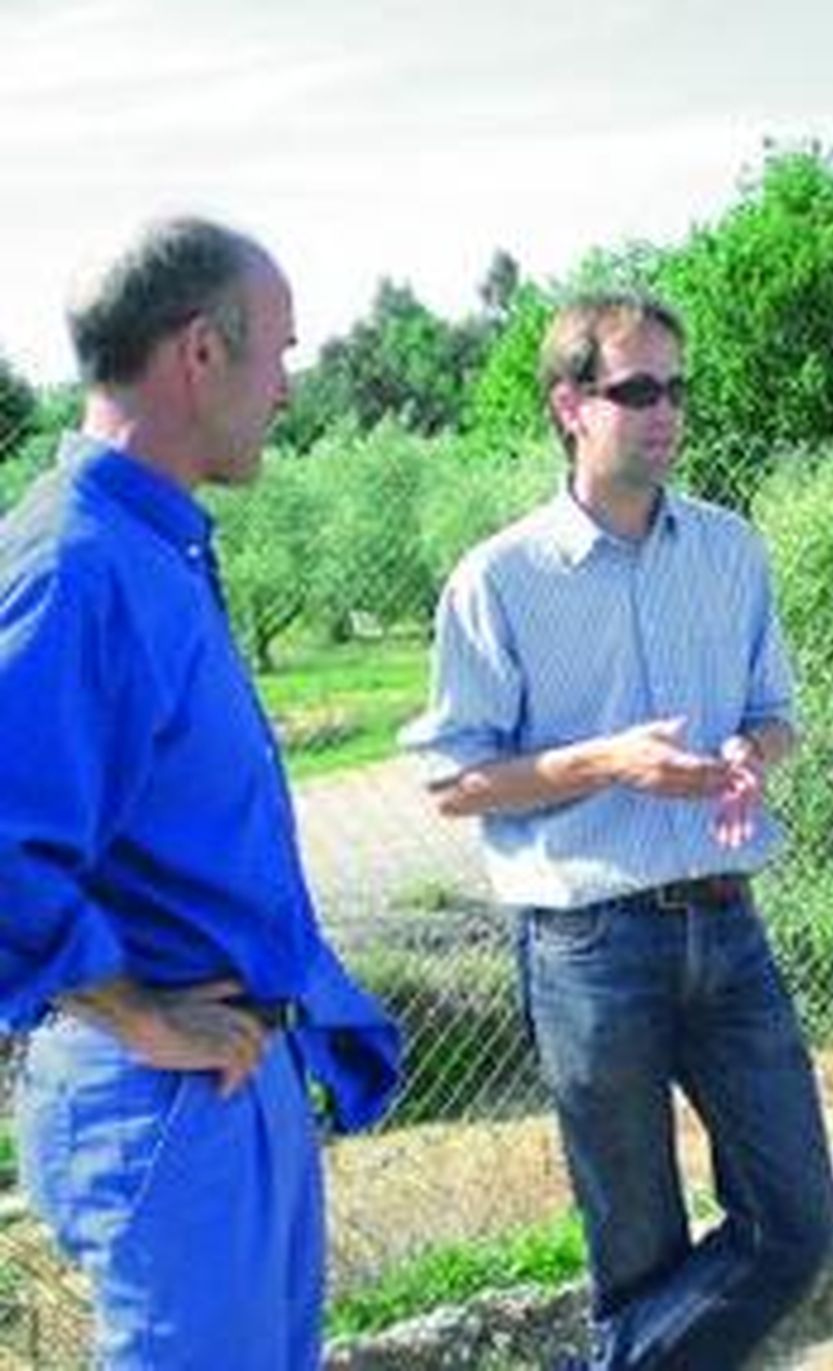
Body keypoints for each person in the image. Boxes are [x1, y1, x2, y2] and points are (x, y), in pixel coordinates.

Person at [401, 292, 833, 1370]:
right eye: (637, 389)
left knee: (798, 1225)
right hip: (588, 947)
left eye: (677, 388)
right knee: (637, 1261)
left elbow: (774, 715)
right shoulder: (497, 579)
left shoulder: (731, 552)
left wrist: (750, 756)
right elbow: (455, 782)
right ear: (569, 405)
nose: (665, 412)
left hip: (729, 926)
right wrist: (609, 760)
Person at [0, 217, 401, 1368]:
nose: (288, 388)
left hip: (227, 1077)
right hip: (164, 1091)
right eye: (279, 351)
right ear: (200, 353)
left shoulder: (151, 546)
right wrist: (132, 1011)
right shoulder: (73, 566)